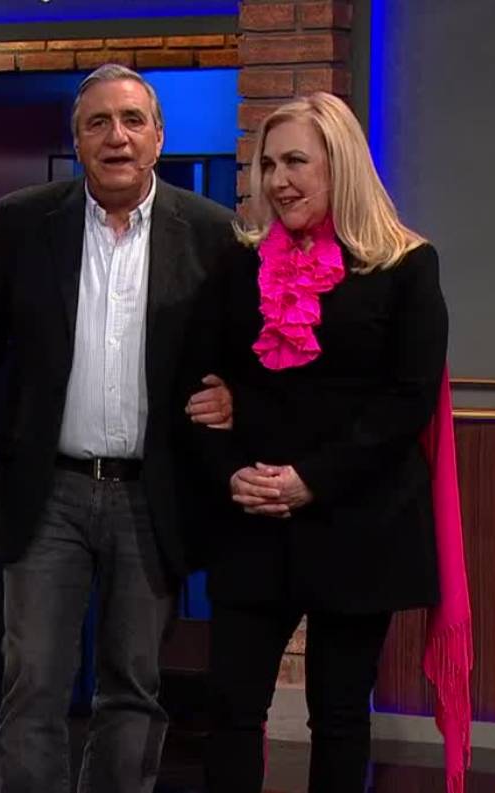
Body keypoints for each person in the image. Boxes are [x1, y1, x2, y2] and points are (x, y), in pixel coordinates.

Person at [181, 91, 471, 793]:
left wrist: (311, 478)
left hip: (358, 519)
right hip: (254, 516)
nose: (278, 180)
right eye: (268, 165)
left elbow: (406, 402)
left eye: (296, 162)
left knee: (339, 714)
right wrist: (231, 474)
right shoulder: (237, 265)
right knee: (232, 708)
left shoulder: (407, 266)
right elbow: (199, 386)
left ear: (339, 166)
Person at [0, 64, 238, 793]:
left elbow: (241, 351)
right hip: (48, 490)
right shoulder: (24, 222)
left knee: (134, 686)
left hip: (152, 494)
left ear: (158, 137)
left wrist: (235, 395)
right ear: (77, 140)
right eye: (98, 123)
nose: (116, 137)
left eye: (132, 121)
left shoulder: (212, 233)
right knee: (32, 682)